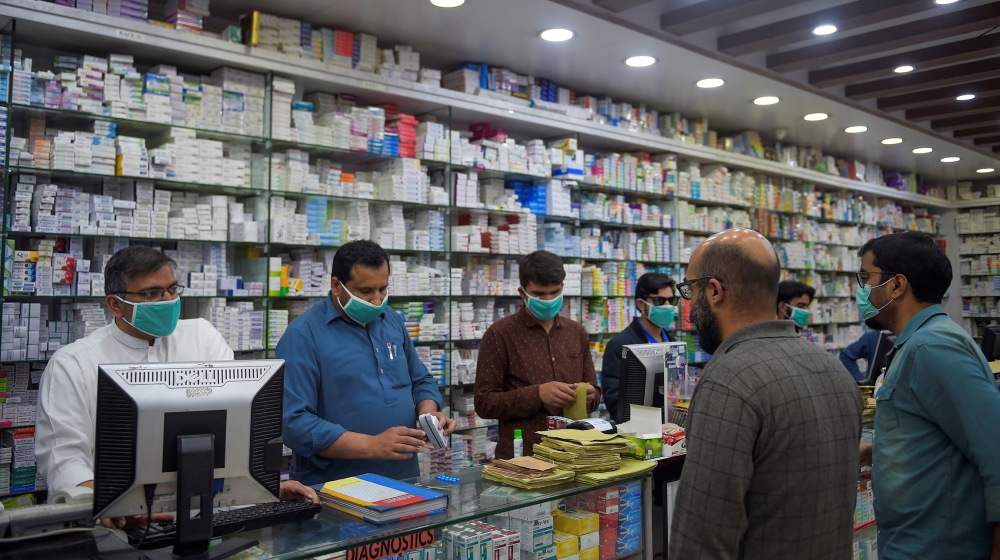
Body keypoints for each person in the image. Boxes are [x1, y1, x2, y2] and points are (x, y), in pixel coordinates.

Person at [35, 246, 318, 530]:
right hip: (118, 529)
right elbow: (63, 459)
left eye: (172, 289)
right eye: (152, 293)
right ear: (115, 304)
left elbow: (238, 429)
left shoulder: (201, 337)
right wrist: (107, 505)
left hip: (208, 513)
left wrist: (262, 488)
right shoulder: (73, 365)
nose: (168, 300)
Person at [669, 229, 863, 559]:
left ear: (714, 291)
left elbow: (702, 536)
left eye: (691, 290)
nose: (688, 307)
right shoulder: (833, 369)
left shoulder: (728, 379)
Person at [854, 232, 1000, 559]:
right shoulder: (919, 343)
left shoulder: (932, 348)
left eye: (866, 277)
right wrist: (880, 452)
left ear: (896, 285)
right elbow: (938, 437)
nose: (860, 289)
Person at [279, 240, 455, 486]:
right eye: (365, 291)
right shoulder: (303, 335)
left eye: (383, 289)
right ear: (336, 286)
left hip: (403, 478)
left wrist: (428, 413)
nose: (376, 300)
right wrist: (371, 445)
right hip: (334, 488)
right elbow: (294, 423)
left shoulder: (390, 319)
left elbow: (421, 380)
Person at [474, 250, 600, 459]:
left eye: (555, 292)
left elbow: (594, 392)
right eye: (539, 294)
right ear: (522, 293)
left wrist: (590, 396)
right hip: (522, 456)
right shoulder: (500, 334)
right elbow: (484, 403)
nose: (549, 300)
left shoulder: (576, 332)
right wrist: (537, 395)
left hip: (573, 453)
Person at [601, 272, 677, 421]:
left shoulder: (674, 344)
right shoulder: (620, 345)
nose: (667, 306)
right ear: (641, 304)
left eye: (671, 300)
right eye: (659, 301)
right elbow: (616, 405)